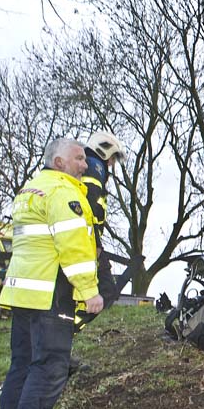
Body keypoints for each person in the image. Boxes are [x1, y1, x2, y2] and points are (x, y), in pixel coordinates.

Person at [0, 138, 104, 409]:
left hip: (23, 294)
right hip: (51, 292)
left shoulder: (30, 190)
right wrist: (89, 291)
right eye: (78, 159)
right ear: (58, 162)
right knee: (50, 369)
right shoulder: (63, 192)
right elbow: (73, 246)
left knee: (22, 366)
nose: (85, 165)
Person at [73, 130, 126, 332]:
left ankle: (62, 337)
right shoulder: (94, 168)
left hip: (85, 240)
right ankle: (65, 332)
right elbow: (89, 209)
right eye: (112, 158)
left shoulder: (88, 166)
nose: (112, 164)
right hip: (87, 242)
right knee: (106, 290)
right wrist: (96, 244)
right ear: (104, 151)